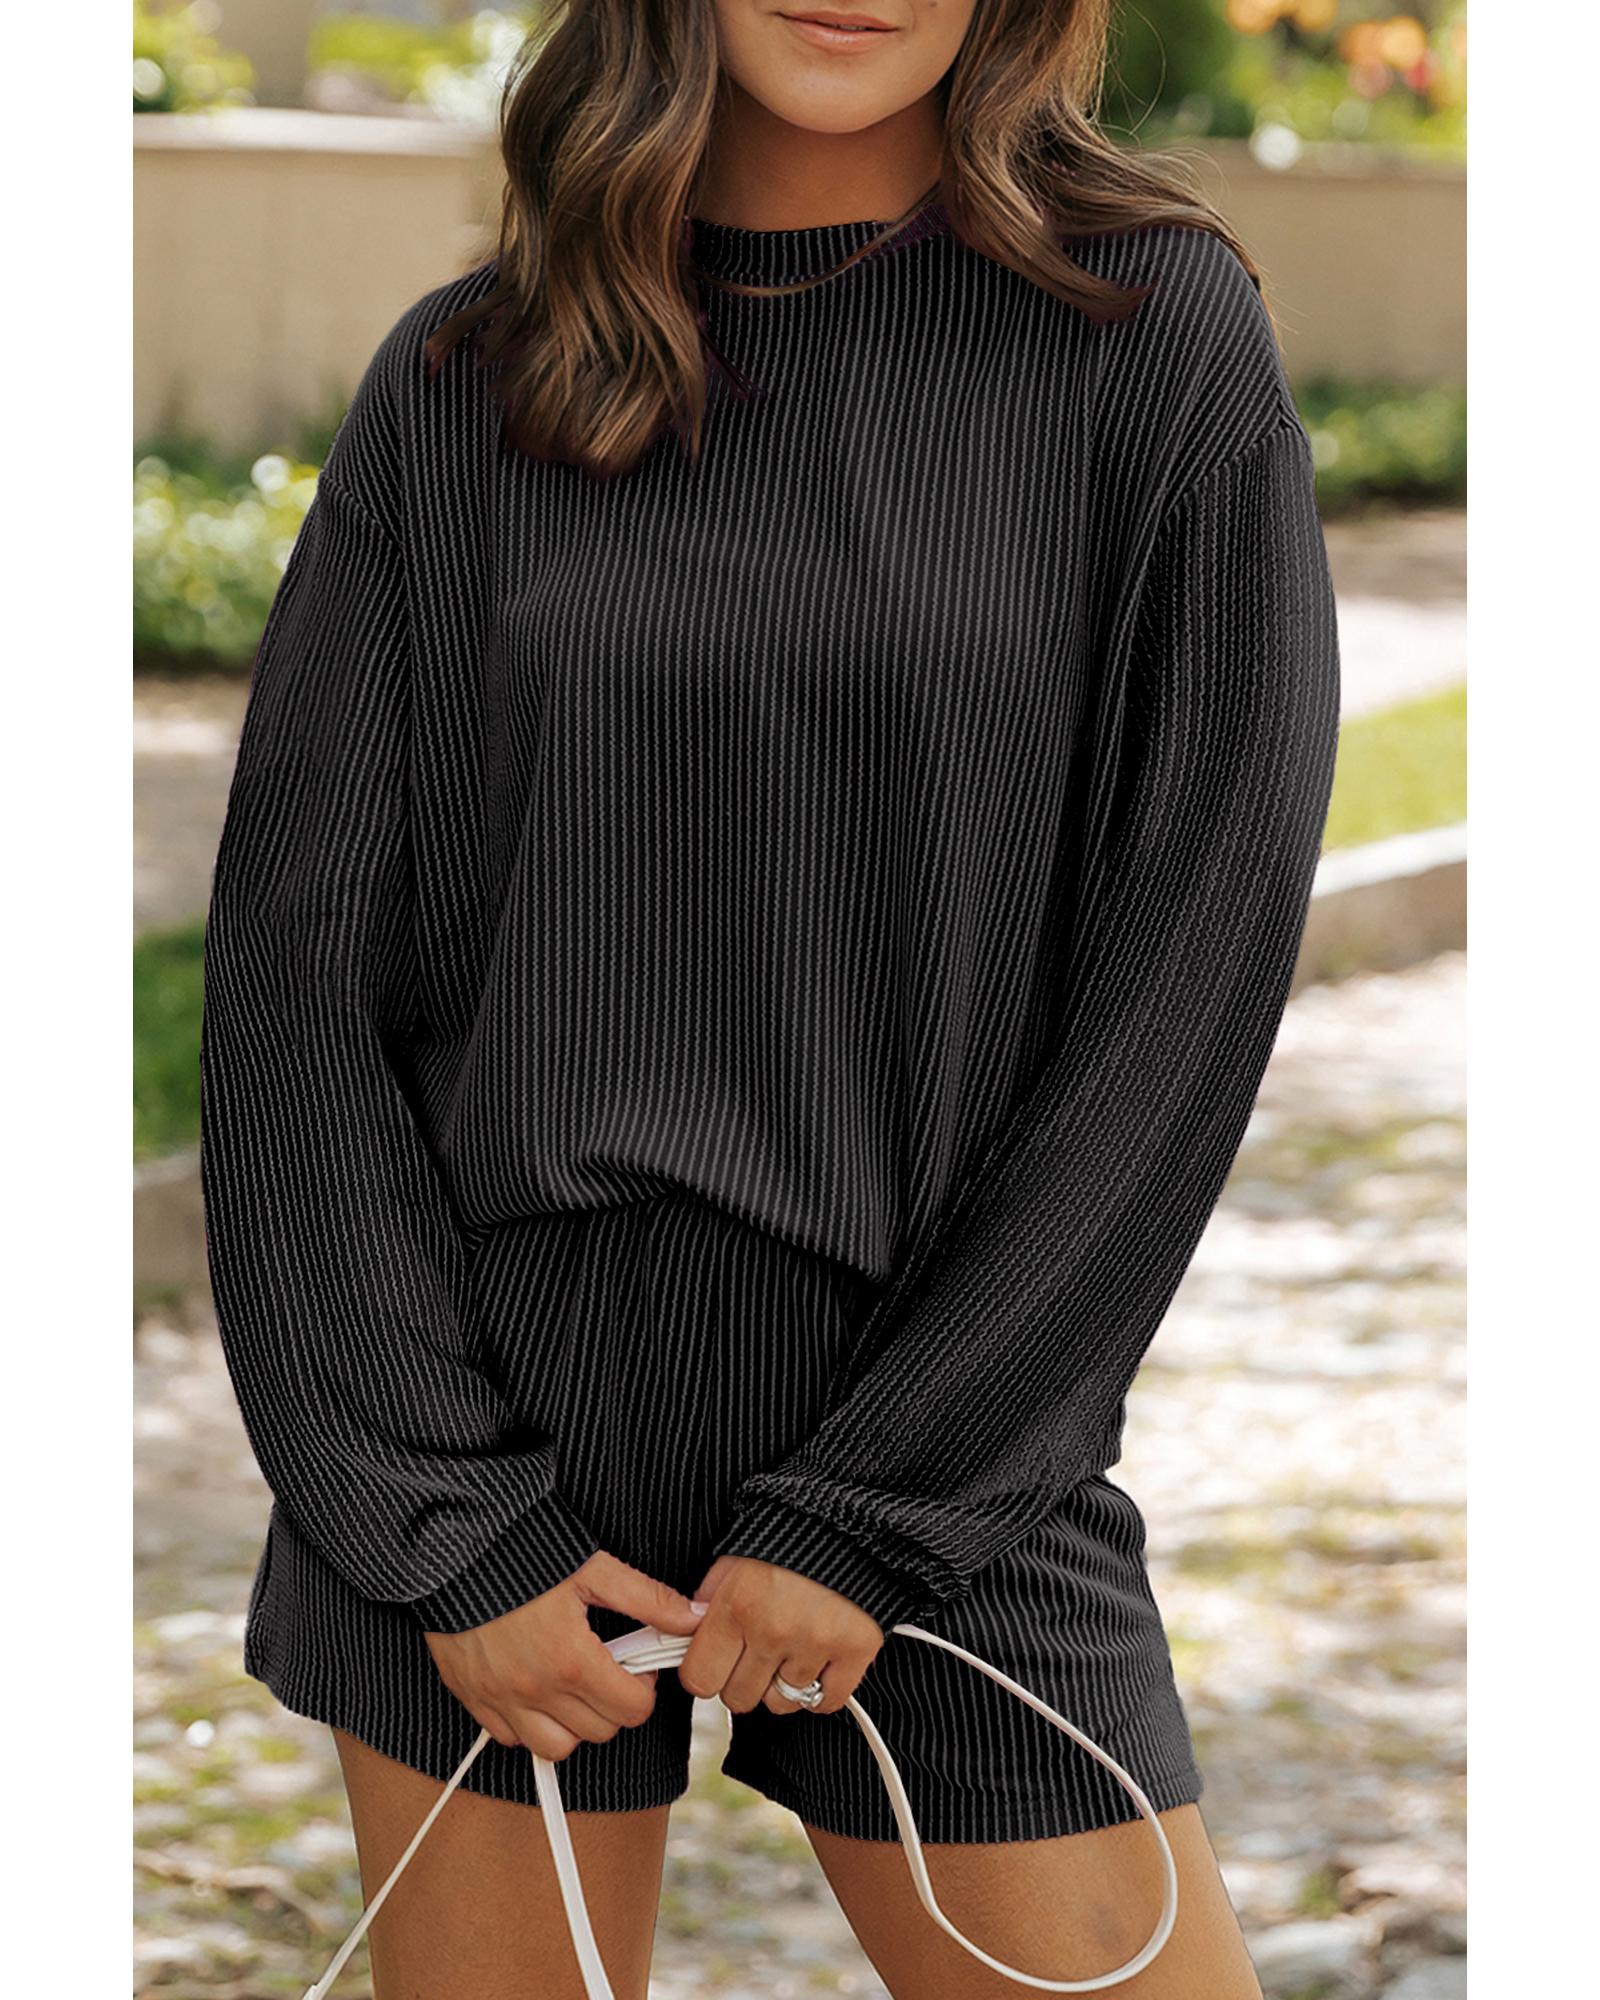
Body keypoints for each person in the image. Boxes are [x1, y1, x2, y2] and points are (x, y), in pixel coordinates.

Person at [198, 3, 1341, 1994]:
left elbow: (1188, 969)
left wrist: (886, 1502)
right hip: (494, 1431)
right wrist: (444, 1521)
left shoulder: (1146, 340)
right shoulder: (468, 376)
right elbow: (298, 981)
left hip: (944, 1443)